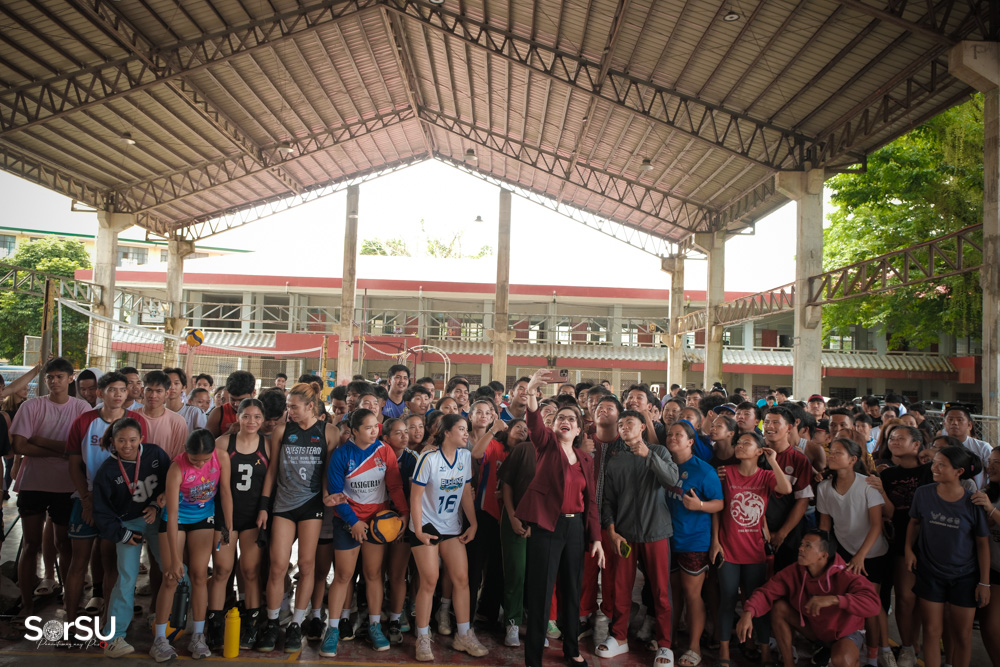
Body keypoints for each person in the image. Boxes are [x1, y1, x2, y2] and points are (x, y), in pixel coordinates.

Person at [518, 369, 605, 667]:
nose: (565, 421)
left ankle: (571, 649)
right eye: (560, 418)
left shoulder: (586, 460)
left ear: (579, 430)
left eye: (571, 419)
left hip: (575, 528)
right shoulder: (546, 446)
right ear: (553, 426)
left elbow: (590, 501)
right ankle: (533, 658)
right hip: (547, 526)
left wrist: (596, 538)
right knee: (541, 593)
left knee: (572, 591)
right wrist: (532, 389)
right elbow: (533, 423)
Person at [256, 382, 338, 653]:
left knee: (306, 565)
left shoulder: (329, 432)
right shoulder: (282, 430)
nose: (289, 411)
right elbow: (272, 471)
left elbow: (329, 471)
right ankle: (272, 622)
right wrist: (264, 506)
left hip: (312, 506)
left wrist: (327, 495)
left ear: (311, 406)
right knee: (278, 566)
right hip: (283, 505)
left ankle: (297, 623)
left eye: (294, 406)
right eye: (288, 406)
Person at [9, 357, 91, 621]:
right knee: (30, 544)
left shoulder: (82, 408)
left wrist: (40, 440)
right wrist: (61, 450)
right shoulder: (31, 406)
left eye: (59, 377)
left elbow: (79, 448)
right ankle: (27, 605)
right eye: (50, 377)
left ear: (70, 378)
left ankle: (70, 603)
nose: (54, 381)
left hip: (67, 485)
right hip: (33, 483)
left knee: (65, 544)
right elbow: (20, 445)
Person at [321, 409, 408, 656]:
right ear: (354, 431)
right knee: (343, 575)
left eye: (375, 427)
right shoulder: (341, 454)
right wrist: (353, 522)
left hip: (377, 523)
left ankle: (374, 626)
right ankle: (332, 629)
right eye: (368, 428)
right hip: (347, 522)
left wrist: (404, 513)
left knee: (373, 574)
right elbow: (336, 494)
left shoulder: (385, 450)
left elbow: (395, 486)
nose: (373, 432)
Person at [65, 371, 148, 624]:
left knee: (112, 562)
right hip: (87, 499)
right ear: (100, 393)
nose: (118, 394)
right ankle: (70, 621)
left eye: (123, 389)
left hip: (119, 505)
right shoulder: (84, 421)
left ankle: (107, 623)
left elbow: (140, 462)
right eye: (112, 389)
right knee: (79, 561)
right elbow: (74, 464)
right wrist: (87, 500)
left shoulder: (136, 421)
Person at [598, 410, 679, 666]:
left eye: (629, 423)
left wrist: (648, 456)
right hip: (624, 534)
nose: (624, 427)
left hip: (656, 531)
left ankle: (665, 645)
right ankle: (619, 637)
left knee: (661, 591)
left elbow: (672, 479)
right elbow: (608, 499)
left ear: (643, 427)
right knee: (621, 588)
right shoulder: (615, 459)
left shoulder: (659, 451)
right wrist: (611, 530)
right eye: (621, 424)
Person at [407, 413, 489, 661]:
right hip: (426, 525)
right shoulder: (428, 458)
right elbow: (415, 497)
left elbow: (465, 492)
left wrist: (473, 523)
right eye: (461, 429)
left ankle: (463, 634)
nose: (466, 433)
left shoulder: (464, 457)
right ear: (447, 433)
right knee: (429, 581)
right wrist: (418, 530)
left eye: (466, 429)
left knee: (461, 579)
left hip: (451, 526)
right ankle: (423, 637)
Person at [736, 530, 882, 667]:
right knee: (779, 608)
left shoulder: (846, 574)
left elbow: (873, 604)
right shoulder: (794, 571)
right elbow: (766, 591)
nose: (800, 548)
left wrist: (834, 600)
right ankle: (789, 664)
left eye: (808, 546)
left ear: (823, 556)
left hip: (844, 634)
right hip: (816, 629)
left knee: (842, 659)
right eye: (801, 544)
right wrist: (748, 612)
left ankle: (835, 653)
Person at [710, 430, 792, 666]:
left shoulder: (766, 476)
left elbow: (786, 489)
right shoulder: (726, 473)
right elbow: (718, 509)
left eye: (747, 443)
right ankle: (724, 651)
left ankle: (763, 650)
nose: (740, 445)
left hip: (755, 551)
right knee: (727, 599)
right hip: (728, 548)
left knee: (756, 601)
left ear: (759, 451)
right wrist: (715, 541)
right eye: (739, 442)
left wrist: (773, 460)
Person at [92, 418, 171, 658]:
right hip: (126, 526)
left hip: (155, 518)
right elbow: (101, 511)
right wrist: (122, 534)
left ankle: (173, 620)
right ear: (112, 441)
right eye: (121, 441)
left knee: (173, 569)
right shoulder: (107, 471)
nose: (127, 445)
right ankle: (113, 637)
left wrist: (156, 506)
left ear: (141, 439)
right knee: (127, 577)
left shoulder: (155, 454)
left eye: (133, 440)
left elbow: (171, 482)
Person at [151, 429, 232, 662]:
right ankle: (159, 639)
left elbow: (225, 492)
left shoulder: (221, 457)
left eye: (205, 460)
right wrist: (176, 560)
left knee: (199, 575)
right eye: (195, 460)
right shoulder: (177, 468)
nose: (200, 465)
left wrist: (228, 526)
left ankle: (198, 635)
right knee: (171, 577)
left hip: (203, 518)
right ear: (186, 452)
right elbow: (172, 515)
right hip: (176, 520)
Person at [906, 445, 990, 667]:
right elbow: (914, 523)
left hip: (965, 576)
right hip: (930, 572)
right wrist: (908, 550)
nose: (934, 468)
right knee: (931, 631)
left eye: (941, 465)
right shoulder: (923, 493)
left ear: (959, 471)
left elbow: (982, 545)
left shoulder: (973, 502)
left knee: (962, 634)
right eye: (934, 463)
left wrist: (984, 582)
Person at [816, 438, 893, 667]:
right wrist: (823, 554)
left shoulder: (867, 484)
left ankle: (874, 656)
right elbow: (825, 525)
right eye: (831, 452)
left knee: (871, 605)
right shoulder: (824, 488)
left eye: (838, 453)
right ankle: (850, 647)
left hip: (873, 553)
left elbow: (876, 525)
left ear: (853, 460)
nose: (831, 456)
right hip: (845, 550)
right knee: (850, 603)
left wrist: (860, 556)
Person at [206, 398, 272, 651]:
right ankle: (214, 625)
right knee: (222, 570)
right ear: (237, 417)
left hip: (254, 518)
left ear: (263, 420)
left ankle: (252, 624)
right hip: (225, 519)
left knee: (250, 571)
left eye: (256, 417)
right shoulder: (223, 443)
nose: (251, 421)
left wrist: (264, 508)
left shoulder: (267, 445)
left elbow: (272, 480)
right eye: (246, 416)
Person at [664, 421, 723, 667]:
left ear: (690, 442)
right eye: (670, 434)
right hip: (667, 539)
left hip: (694, 541)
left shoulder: (704, 470)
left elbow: (719, 504)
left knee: (692, 594)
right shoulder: (664, 465)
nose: (672, 437)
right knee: (672, 592)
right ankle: (669, 640)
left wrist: (699, 505)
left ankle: (694, 647)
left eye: (679, 434)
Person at [878, 425, 930, 667]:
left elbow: (971, 465)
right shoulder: (887, 475)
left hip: (931, 542)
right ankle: (908, 646)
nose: (894, 442)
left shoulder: (931, 469)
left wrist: (935, 454)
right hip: (900, 541)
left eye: (901, 438)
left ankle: (918, 643)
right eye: (891, 438)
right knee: (905, 597)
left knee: (923, 599)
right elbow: (886, 511)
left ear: (917, 444)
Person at [466, 399, 508, 627]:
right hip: (475, 509)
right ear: (470, 415)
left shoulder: (503, 446)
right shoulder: (469, 438)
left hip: (499, 512)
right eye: (479, 412)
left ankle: (488, 613)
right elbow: (476, 454)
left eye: (488, 413)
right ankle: (464, 618)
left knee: (495, 567)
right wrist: (493, 430)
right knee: (473, 568)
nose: (484, 416)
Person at [382, 418, 417, 643]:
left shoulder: (413, 459)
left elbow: (415, 497)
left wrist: (405, 523)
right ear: (386, 438)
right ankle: (374, 615)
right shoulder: (376, 455)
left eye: (406, 432)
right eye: (398, 433)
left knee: (397, 574)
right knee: (374, 574)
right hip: (376, 520)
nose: (405, 436)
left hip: (401, 522)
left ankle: (396, 617)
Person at [973, 448, 1000, 666]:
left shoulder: (989, 500)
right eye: (989, 461)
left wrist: (991, 510)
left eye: (997, 462)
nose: (990, 467)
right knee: (990, 625)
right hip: (993, 568)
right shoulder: (987, 491)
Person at [138, 371, 189, 459]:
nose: (153, 396)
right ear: (142, 391)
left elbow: (179, 457)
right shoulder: (131, 417)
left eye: (159, 391)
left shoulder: (178, 422)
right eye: (149, 390)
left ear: (167, 393)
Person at [207, 371, 256, 437]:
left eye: (242, 400)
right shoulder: (218, 413)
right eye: (232, 399)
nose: (236, 404)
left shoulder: (262, 413)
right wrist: (230, 432)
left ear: (253, 393)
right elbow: (205, 442)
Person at [165, 368, 208, 432]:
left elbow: (203, 436)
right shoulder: (157, 412)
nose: (172, 387)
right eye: (168, 383)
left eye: (176, 383)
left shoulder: (194, 412)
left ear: (183, 387)